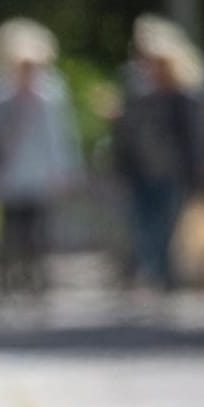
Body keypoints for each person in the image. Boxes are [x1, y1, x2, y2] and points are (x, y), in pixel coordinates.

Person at [0, 18, 83, 295]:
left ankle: (37, 277)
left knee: (40, 227)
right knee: (11, 226)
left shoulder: (52, 89)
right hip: (9, 169)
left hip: (41, 170)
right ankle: (10, 276)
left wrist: (67, 170)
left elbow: (61, 134)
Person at [114, 14, 204, 292]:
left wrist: (197, 170)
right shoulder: (135, 86)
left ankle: (163, 275)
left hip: (172, 170)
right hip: (140, 169)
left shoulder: (185, 92)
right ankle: (151, 273)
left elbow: (194, 135)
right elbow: (127, 131)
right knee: (144, 224)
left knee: (167, 225)